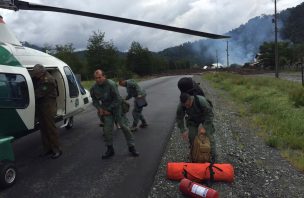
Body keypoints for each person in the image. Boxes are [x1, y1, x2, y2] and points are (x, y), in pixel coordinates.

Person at [90, 70, 139, 159]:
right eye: (96, 78)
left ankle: (132, 147)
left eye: (100, 77)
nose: (98, 80)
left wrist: (109, 109)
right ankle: (110, 149)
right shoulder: (94, 88)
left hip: (117, 108)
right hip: (105, 110)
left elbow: (117, 99)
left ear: (104, 76)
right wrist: (100, 109)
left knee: (125, 127)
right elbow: (94, 100)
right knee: (107, 130)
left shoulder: (111, 84)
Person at [32, 64, 62, 159]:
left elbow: (39, 93)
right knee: (43, 129)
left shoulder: (48, 80)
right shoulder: (39, 78)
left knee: (51, 129)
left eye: (37, 74)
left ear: (42, 72)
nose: (35, 75)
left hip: (48, 107)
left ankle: (57, 150)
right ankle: (48, 149)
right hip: (41, 107)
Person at [176, 92, 216, 162]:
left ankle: (213, 156)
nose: (187, 107)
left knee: (209, 136)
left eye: (188, 105)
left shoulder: (201, 101)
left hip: (205, 118)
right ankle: (194, 155)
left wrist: (205, 127)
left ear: (190, 99)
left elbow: (210, 115)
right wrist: (183, 130)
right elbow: (179, 118)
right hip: (192, 120)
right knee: (192, 136)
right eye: (185, 106)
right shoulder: (182, 105)